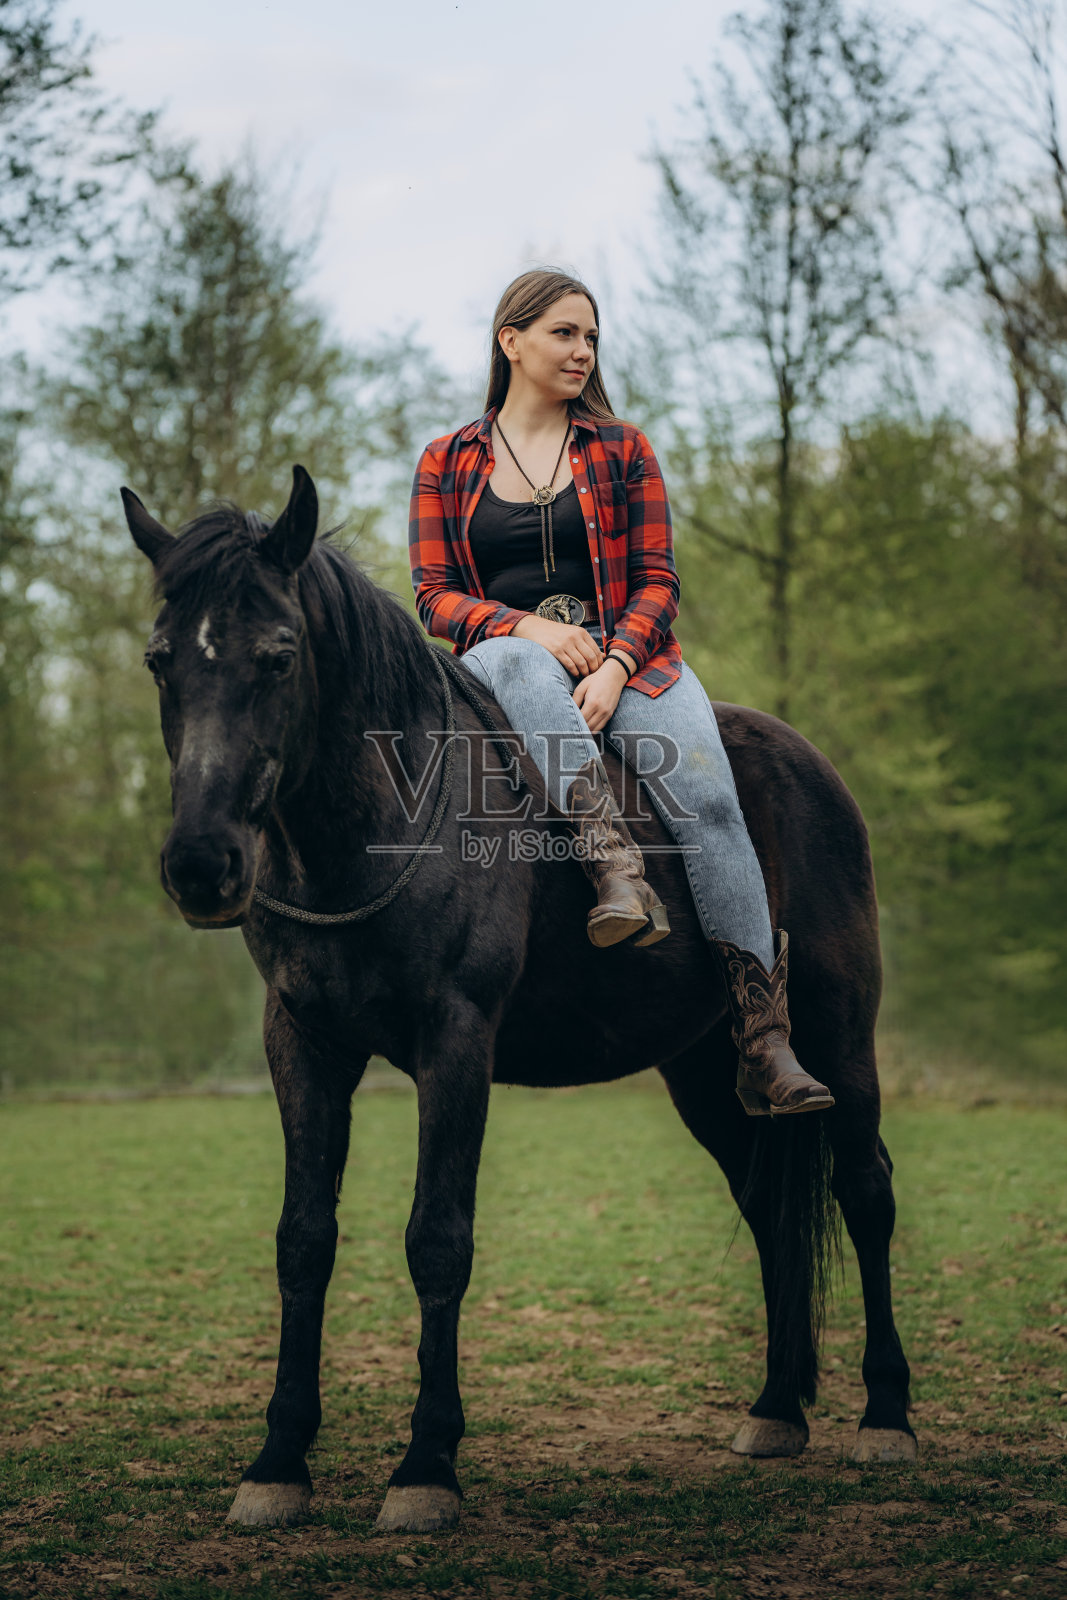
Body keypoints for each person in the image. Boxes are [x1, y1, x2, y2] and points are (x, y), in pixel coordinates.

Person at [408, 268, 832, 1117]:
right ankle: (614, 872)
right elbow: (433, 595)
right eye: (564, 333)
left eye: (591, 337)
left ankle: (763, 1041)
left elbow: (656, 579)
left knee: (713, 800)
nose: (581, 351)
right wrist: (525, 627)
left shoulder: (620, 448)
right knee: (525, 665)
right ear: (511, 342)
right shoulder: (447, 461)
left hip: (634, 665)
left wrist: (612, 666)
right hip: (501, 666)